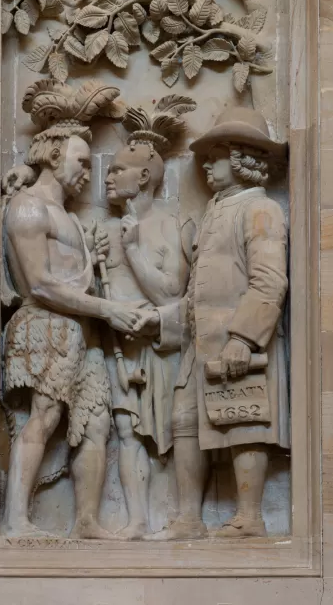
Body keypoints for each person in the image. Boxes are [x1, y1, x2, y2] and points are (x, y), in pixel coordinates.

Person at [0, 80, 151, 538]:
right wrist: (108, 309)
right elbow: (43, 284)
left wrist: (91, 251)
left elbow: (72, 273)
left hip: (78, 330)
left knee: (96, 424)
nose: (88, 171)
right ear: (52, 155)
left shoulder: (68, 217)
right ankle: (16, 520)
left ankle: (86, 520)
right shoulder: (28, 208)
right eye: (81, 161)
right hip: (44, 324)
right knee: (42, 419)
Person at [151, 106, 289, 540]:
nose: (207, 163)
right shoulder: (215, 211)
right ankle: (188, 518)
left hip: (238, 341)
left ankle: (250, 517)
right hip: (200, 342)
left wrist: (244, 338)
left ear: (243, 157)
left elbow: (269, 280)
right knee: (185, 422)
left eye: (216, 154)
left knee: (245, 419)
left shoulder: (260, 209)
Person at [96, 95, 195, 538]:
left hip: (162, 345)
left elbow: (173, 292)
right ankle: (137, 518)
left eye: (117, 169)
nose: (108, 176)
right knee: (126, 430)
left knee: (175, 430)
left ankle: (181, 515)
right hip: (121, 348)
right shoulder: (101, 230)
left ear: (144, 176)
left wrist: (134, 251)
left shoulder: (174, 225)